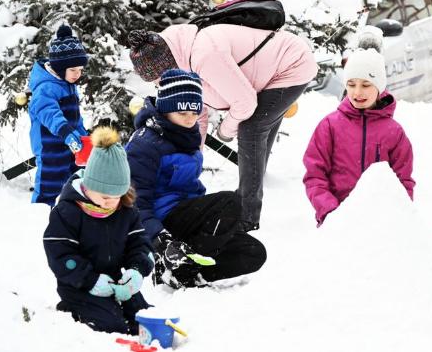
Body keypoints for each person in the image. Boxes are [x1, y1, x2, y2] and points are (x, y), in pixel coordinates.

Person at [128, 23, 318, 232]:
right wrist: (191, 154)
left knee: (251, 128)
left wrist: (224, 132)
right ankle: (251, 186)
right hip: (269, 72)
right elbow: (198, 113)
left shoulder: (204, 55)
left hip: (291, 65)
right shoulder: (181, 59)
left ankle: (246, 216)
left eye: (156, 79)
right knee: (257, 128)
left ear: (166, 66)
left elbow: (245, 102)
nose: (158, 85)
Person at [125, 69, 266, 289]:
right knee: (230, 202)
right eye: (182, 112)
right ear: (165, 109)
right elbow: (133, 204)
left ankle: (189, 274)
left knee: (253, 252)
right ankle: (175, 263)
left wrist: (217, 225)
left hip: (185, 217)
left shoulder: (185, 135)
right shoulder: (144, 145)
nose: (190, 118)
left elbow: (190, 188)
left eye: (194, 111)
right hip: (163, 221)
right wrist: (160, 240)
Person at [43, 127, 153, 334]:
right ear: (88, 186)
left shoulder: (125, 210)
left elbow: (139, 243)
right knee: (112, 325)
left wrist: (136, 271)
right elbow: (59, 253)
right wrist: (89, 279)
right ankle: (71, 310)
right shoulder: (68, 211)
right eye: (103, 195)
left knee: (144, 319)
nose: (110, 201)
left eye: (116, 195)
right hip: (78, 284)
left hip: (115, 281)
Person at [303, 48, 415, 226]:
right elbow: (315, 176)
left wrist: (397, 217)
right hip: (337, 222)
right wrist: (331, 212)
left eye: (366, 85)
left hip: (380, 223)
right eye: (351, 84)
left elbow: (403, 182)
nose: (357, 92)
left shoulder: (394, 132)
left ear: (379, 86)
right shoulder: (330, 126)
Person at [28, 24, 89, 205]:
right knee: (50, 184)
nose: (77, 74)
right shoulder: (45, 87)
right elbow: (49, 113)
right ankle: (39, 212)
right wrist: (66, 131)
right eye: (73, 70)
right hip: (50, 147)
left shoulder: (67, 83)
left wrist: (82, 134)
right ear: (61, 68)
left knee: (76, 181)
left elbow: (74, 116)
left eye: (80, 69)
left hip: (70, 142)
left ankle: (70, 212)